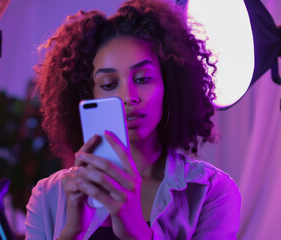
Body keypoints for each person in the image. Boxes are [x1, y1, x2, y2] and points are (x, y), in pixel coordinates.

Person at [25, 0, 241, 239]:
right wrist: (73, 230)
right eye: (109, 85)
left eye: (143, 79)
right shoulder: (48, 195)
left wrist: (133, 226)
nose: (129, 97)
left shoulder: (210, 191)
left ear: (168, 84)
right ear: (88, 95)